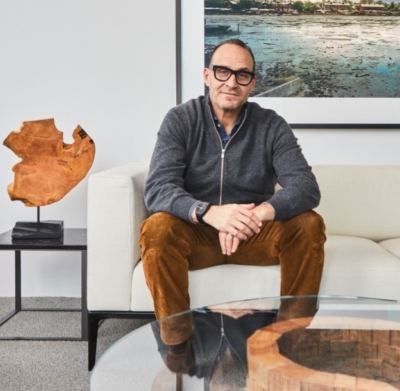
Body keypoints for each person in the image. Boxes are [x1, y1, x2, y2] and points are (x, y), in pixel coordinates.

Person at [140, 38, 326, 373]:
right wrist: (211, 214)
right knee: (157, 228)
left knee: (309, 223)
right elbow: (158, 189)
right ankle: (178, 347)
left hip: (255, 235)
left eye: (242, 75)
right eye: (223, 71)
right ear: (207, 76)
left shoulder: (271, 125)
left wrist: (254, 215)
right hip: (198, 235)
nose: (231, 82)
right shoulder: (181, 120)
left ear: (252, 83)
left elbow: (305, 187)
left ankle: (286, 342)